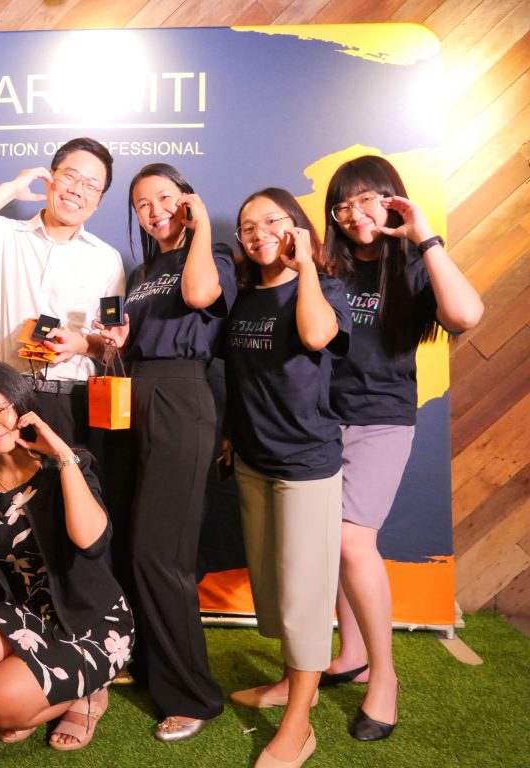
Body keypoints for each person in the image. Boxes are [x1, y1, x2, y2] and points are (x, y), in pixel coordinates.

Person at [319, 155, 483, 741]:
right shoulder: (330, 268)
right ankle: (353, 655)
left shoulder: (414, 266)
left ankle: (384, 677)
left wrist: (425, 236)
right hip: (322, 419)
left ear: (393, 200)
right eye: (343, 205)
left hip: (381, 420)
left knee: (351, 540)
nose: (354, 214)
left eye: (367, 199)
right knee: (332, 542)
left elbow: (465, 314)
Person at [94, 163, 236, 741]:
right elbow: (133, 342)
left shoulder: (214, 253)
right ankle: (151, 665)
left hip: (182, 395)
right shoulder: (142, 271)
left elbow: (200, 295)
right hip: (134, 394)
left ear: (188, 200)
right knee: (132, 544)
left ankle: (193, 695)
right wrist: (112, 345)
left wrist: (201, 228)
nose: (153, 211)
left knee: (162, 554)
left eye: (164, 198)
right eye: (141, 204)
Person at [221, 188, 351, 768]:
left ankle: (299, 725)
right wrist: (231, 435)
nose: (259, 234)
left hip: (305, 463)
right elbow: (240, 376)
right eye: (248, 227)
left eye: (272, 221)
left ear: (297, 227)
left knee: (304, 598)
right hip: (254, 460)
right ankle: (291, 683)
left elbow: (318, 336)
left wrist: (305, 270)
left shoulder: (326, 289)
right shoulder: (245, 295)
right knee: (275, 591)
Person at [0, 362, 133, 751]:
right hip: (28, 615)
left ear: (21, 408)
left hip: (90, 620)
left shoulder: (62, 466)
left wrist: (63, 455)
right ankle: (35, 687)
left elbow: (92, 544)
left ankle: (89, 692)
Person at [0, 137, 125, 447]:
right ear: (50, 177)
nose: (77, 189)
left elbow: (110, 347)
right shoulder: (2, 235)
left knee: (65, 478)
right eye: (70, 176)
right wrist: (12, 187)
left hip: (67, 402)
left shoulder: (107, 259)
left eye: (91, 185)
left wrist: (81, 344)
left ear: (99, 200)